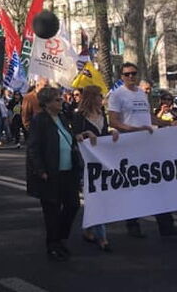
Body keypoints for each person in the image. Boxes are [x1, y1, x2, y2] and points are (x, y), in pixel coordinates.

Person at [108, 62, 177, 238]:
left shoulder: (142, 93)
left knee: (157, 182)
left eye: (133, 73)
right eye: (126, 74)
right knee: (134, 184)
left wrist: (168, 123)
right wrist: (135, 130)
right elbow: (113, 121)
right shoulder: (117, 95)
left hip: (148, 144)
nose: (130, 77)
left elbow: (149, 116)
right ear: (121, 77)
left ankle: (166, 225)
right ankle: (132, 224)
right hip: (130, 145)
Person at [26, 87, 82, 261]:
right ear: (47, 103)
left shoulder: (63, 118)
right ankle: (53, 244)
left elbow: (69, 138)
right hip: (51, 172)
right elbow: (33, 147)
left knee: (73, 205)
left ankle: (61, 237)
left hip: (68, 171)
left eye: (60, 99)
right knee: (52, 210)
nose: (61, 102)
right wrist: (40, 170)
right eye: (57, 100)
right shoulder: (40, 120)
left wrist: (79, 137)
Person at [71, 86, 118, 252]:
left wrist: (112, 133)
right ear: (92, 97)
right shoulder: (79, 116)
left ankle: (88, 229)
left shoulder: (101, 114)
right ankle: (102, 237)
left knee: (98, 197)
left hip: (100, 161)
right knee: (95, 197)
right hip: (86, 163)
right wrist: (85, 134)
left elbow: (103, 135)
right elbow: (75, 137)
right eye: (100, 96)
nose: (102, 98)